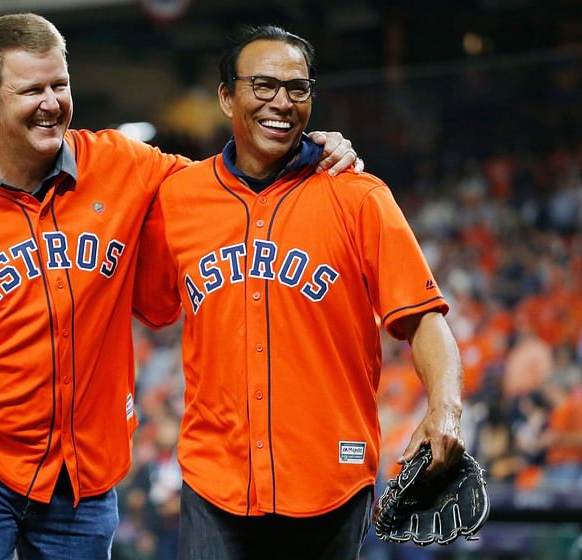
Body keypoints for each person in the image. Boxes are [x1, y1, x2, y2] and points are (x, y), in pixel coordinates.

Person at [0, 13, 360, 560]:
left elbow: (225, 181)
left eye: (60, 85)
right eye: (30, 90)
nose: (50, 103)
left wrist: (307, 149)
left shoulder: (122, 165)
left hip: (82, 467)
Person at [133, 25, 465, 560]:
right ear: (226, 96)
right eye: (263, 86)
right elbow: (151, 303)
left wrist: (445, 409)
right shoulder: (179, 196)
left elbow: (426, 317)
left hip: (328, 479)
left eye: (297, 89)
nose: (281, 103)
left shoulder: (358, 196)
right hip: (215, 478)